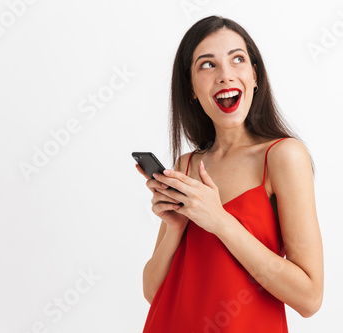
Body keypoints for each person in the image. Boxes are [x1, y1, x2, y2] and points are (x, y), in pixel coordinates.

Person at [135, 15, 323, 332]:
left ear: (254, 75)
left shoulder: (283, 156)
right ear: (192, 88)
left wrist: (219, 221)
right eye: (207, 65)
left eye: (237, 59)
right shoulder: (186, 166)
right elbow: (154, 292)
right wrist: (176, 228)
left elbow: (309, 298)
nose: (225, 75)